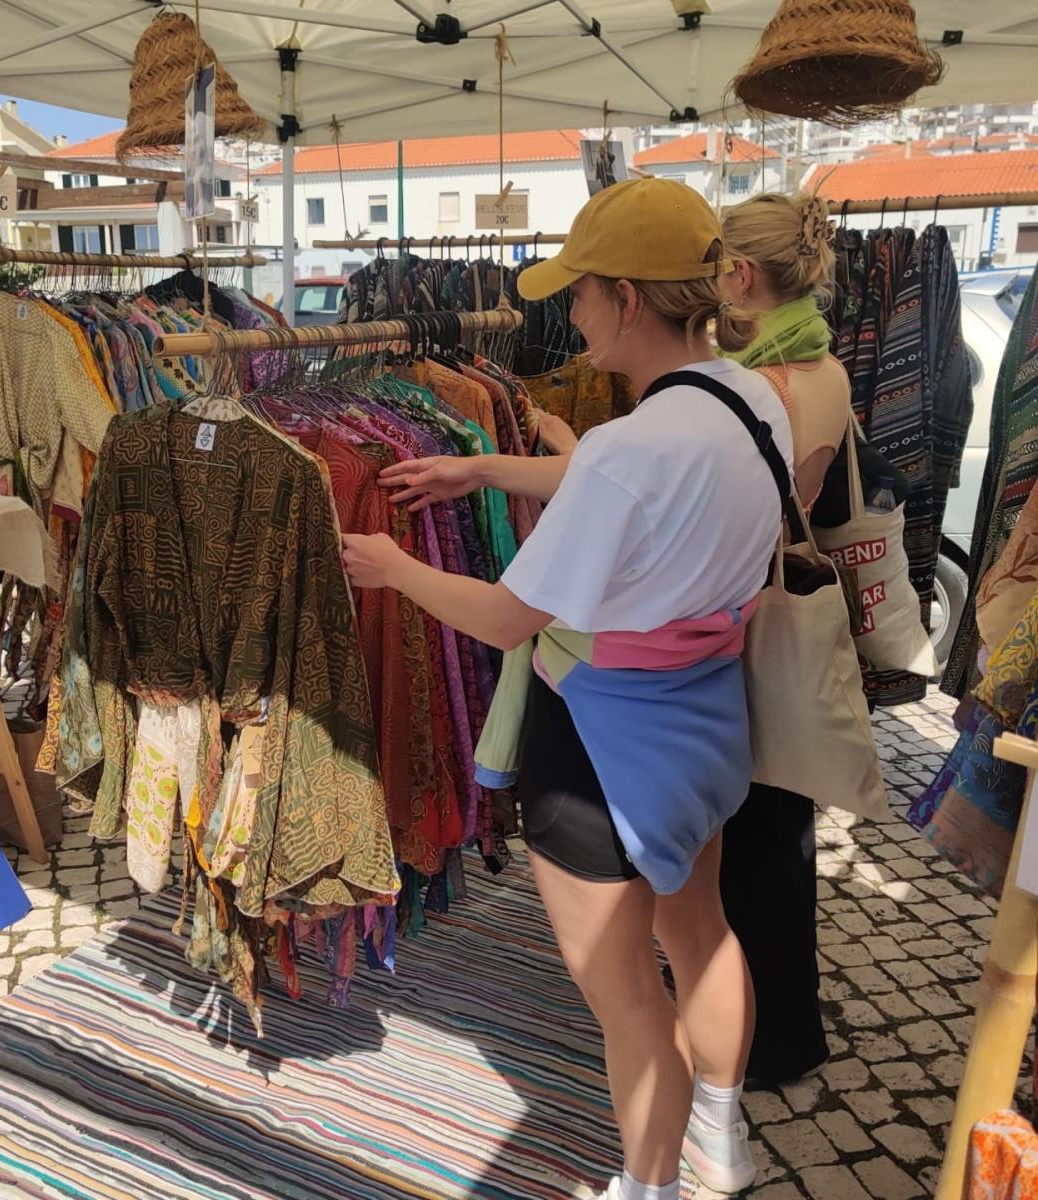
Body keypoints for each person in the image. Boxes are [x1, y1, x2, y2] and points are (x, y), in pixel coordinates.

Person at [342, 178, 792, 1200]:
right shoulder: (747, 396)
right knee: (700, 930)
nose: (569, 312)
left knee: (628, 998)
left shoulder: (631, 450)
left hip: (597, 742)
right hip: (705, 719)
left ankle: (650, 1186)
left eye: (579, 294)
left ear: (627, 297)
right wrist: (488, 472)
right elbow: (620, 483)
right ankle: (720, 1134)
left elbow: (508, 618)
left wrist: (396, 570)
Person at [718, 190, 851, 1088]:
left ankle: (758, 1040)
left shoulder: (757, 383)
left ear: (736, 275)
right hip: (783, 612)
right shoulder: (824, 366)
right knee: (780, 827)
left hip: (743, 616)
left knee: (746, 835)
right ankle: (788, 1027)